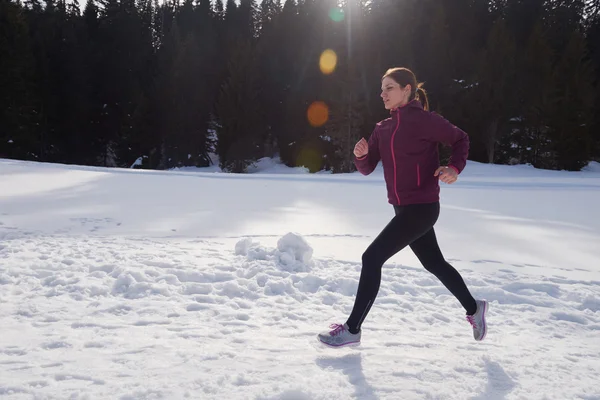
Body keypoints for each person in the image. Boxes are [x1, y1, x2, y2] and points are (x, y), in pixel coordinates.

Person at [317, 67, 488, 347]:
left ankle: (352, 329)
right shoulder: (382, 128)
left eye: (389, 88)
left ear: (407, 89)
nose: (382, 93)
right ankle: (474, 308)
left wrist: (454, 167)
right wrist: (360, 156)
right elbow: (367, 167)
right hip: (402, 208)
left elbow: (461, 139)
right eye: (381, 89)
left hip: (422, 208)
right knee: (434, 263)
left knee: (371, 258)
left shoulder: (424, 121)